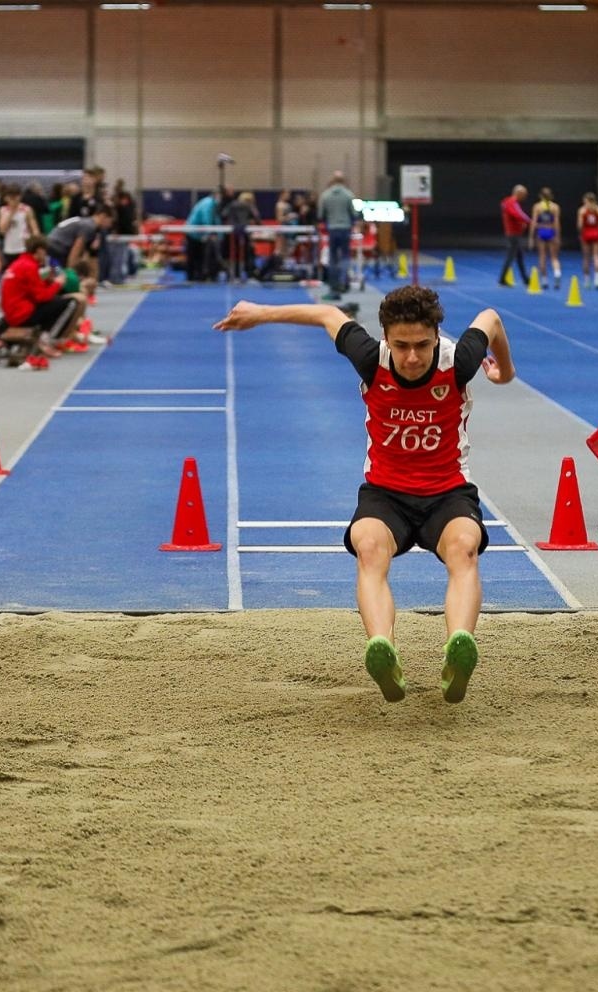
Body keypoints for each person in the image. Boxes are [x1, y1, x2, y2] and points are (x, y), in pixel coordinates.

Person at [213, 285, 515, 704]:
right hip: (385, 494)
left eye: (422, 346)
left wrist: (506, 370)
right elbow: (327, 314)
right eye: (402, 346)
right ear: (385, 339)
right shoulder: (371, 358)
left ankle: (459, 647)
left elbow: (491, 317)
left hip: (447, 492)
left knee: (464, 547)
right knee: (369, 547)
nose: (411, 358)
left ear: (437, 336)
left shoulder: (459, 360)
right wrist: (260, 312)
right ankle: (382, 650)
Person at [319, 171, 357, 297]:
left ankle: (333, 285)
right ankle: (343, 281)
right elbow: (354, 214)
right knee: (345, 256)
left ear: (332, 180)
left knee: (333, 258)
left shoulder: (325, 195)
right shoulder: (349, 195)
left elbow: (320, 215)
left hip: (332, 229)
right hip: (345, 229)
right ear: (343, 180)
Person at [498, 184, 531, 286]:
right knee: (511, 256)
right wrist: (530, 222)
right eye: (524, 194)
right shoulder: (512, 202)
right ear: (519, 193)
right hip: (513, 234)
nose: (525, 197)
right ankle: (502, 279)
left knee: (519, 256)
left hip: (514, 233)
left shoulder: (508, 202)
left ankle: (525, 279)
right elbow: (518, 214)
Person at [532, 187, 562, 290]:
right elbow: (557, 223)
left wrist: (531, 236)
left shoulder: (537, 207)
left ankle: (544, 280)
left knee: (542, 256)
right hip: (551, 231)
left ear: (540, 196)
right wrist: (557, 236)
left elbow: (534, 223)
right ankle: (557, 273)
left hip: (541, 231)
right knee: (554, 257)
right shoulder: (555, 207)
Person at [577, 192, 598, 291]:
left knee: (586, 257)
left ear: (586, 200)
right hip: (596, 233)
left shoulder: (582, 211)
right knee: (596, 256)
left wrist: (580, 234)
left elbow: (580, 225)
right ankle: (597, 280)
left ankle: (587, 280)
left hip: (586, 233)